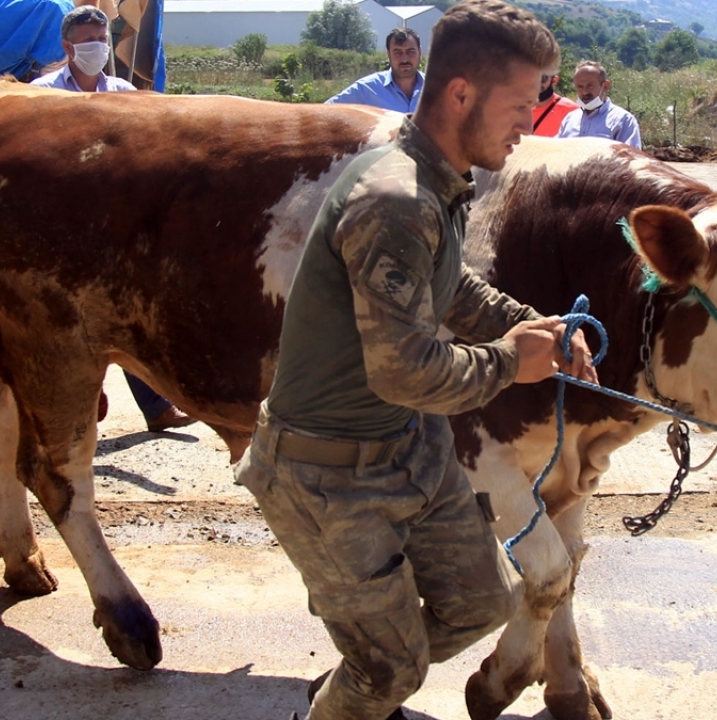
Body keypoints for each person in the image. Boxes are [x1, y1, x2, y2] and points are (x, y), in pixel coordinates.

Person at [234, 1, 596, 718]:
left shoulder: (438, 180)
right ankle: (367, 682)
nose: (530, 123)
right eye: (519, 105)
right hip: (327, 473)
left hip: (405, 444)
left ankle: (364, 680)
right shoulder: (395, 199)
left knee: (483, 603)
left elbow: (450, 285)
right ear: (461, 94)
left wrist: (531, 324)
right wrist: (510, 361)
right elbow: (404, 371)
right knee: (390, 671)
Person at [31, 5, 196, 434]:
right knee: (66, 319)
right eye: (88, 41)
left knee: (124, 316)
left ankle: (155, 406)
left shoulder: (124, 93)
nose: (98, 47)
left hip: (113, 226)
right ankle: (76, 406)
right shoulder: (42, 94)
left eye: (102, 40)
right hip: (60, 223)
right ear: (67, 46)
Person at [324, 28, 424, 113]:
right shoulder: (366, 89)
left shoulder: (433, 89)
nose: (404, 59)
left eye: (410, 51)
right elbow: (326, 111)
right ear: (388, 54)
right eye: (398, 52)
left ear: (420, 52)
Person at [555, 60, 641, 149]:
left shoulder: (623, 120)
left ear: (606, 86)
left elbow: (630, 156)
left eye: (590, 85)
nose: (584, 92)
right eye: (580, 86)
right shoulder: (569, 120)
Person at [531, 71, 579, 137]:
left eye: (543, 78)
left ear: (554, 80)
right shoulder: (518, 109)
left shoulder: (572, 111)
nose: (537, 83)